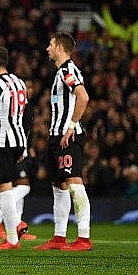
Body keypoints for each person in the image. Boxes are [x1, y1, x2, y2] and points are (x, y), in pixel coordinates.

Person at [34, 31, 92, 251]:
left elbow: (83, 96)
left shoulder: (68, 69)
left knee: (75, 184)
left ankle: (84, 238)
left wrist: (70, 127)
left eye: (50, 44)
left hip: (69, 135)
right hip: (57, 136)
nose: (48, 48)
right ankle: (59, 237)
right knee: (59, 185)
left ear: (59, 47)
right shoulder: (59, 73)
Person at [0, 46, 32, 249]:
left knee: (4, 187)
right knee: (7, 185)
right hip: (19, 140)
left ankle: (11, 239)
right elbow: (28, 116)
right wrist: (25, 143)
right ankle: (12, 233)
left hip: (3, 142)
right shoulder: (19, 82)